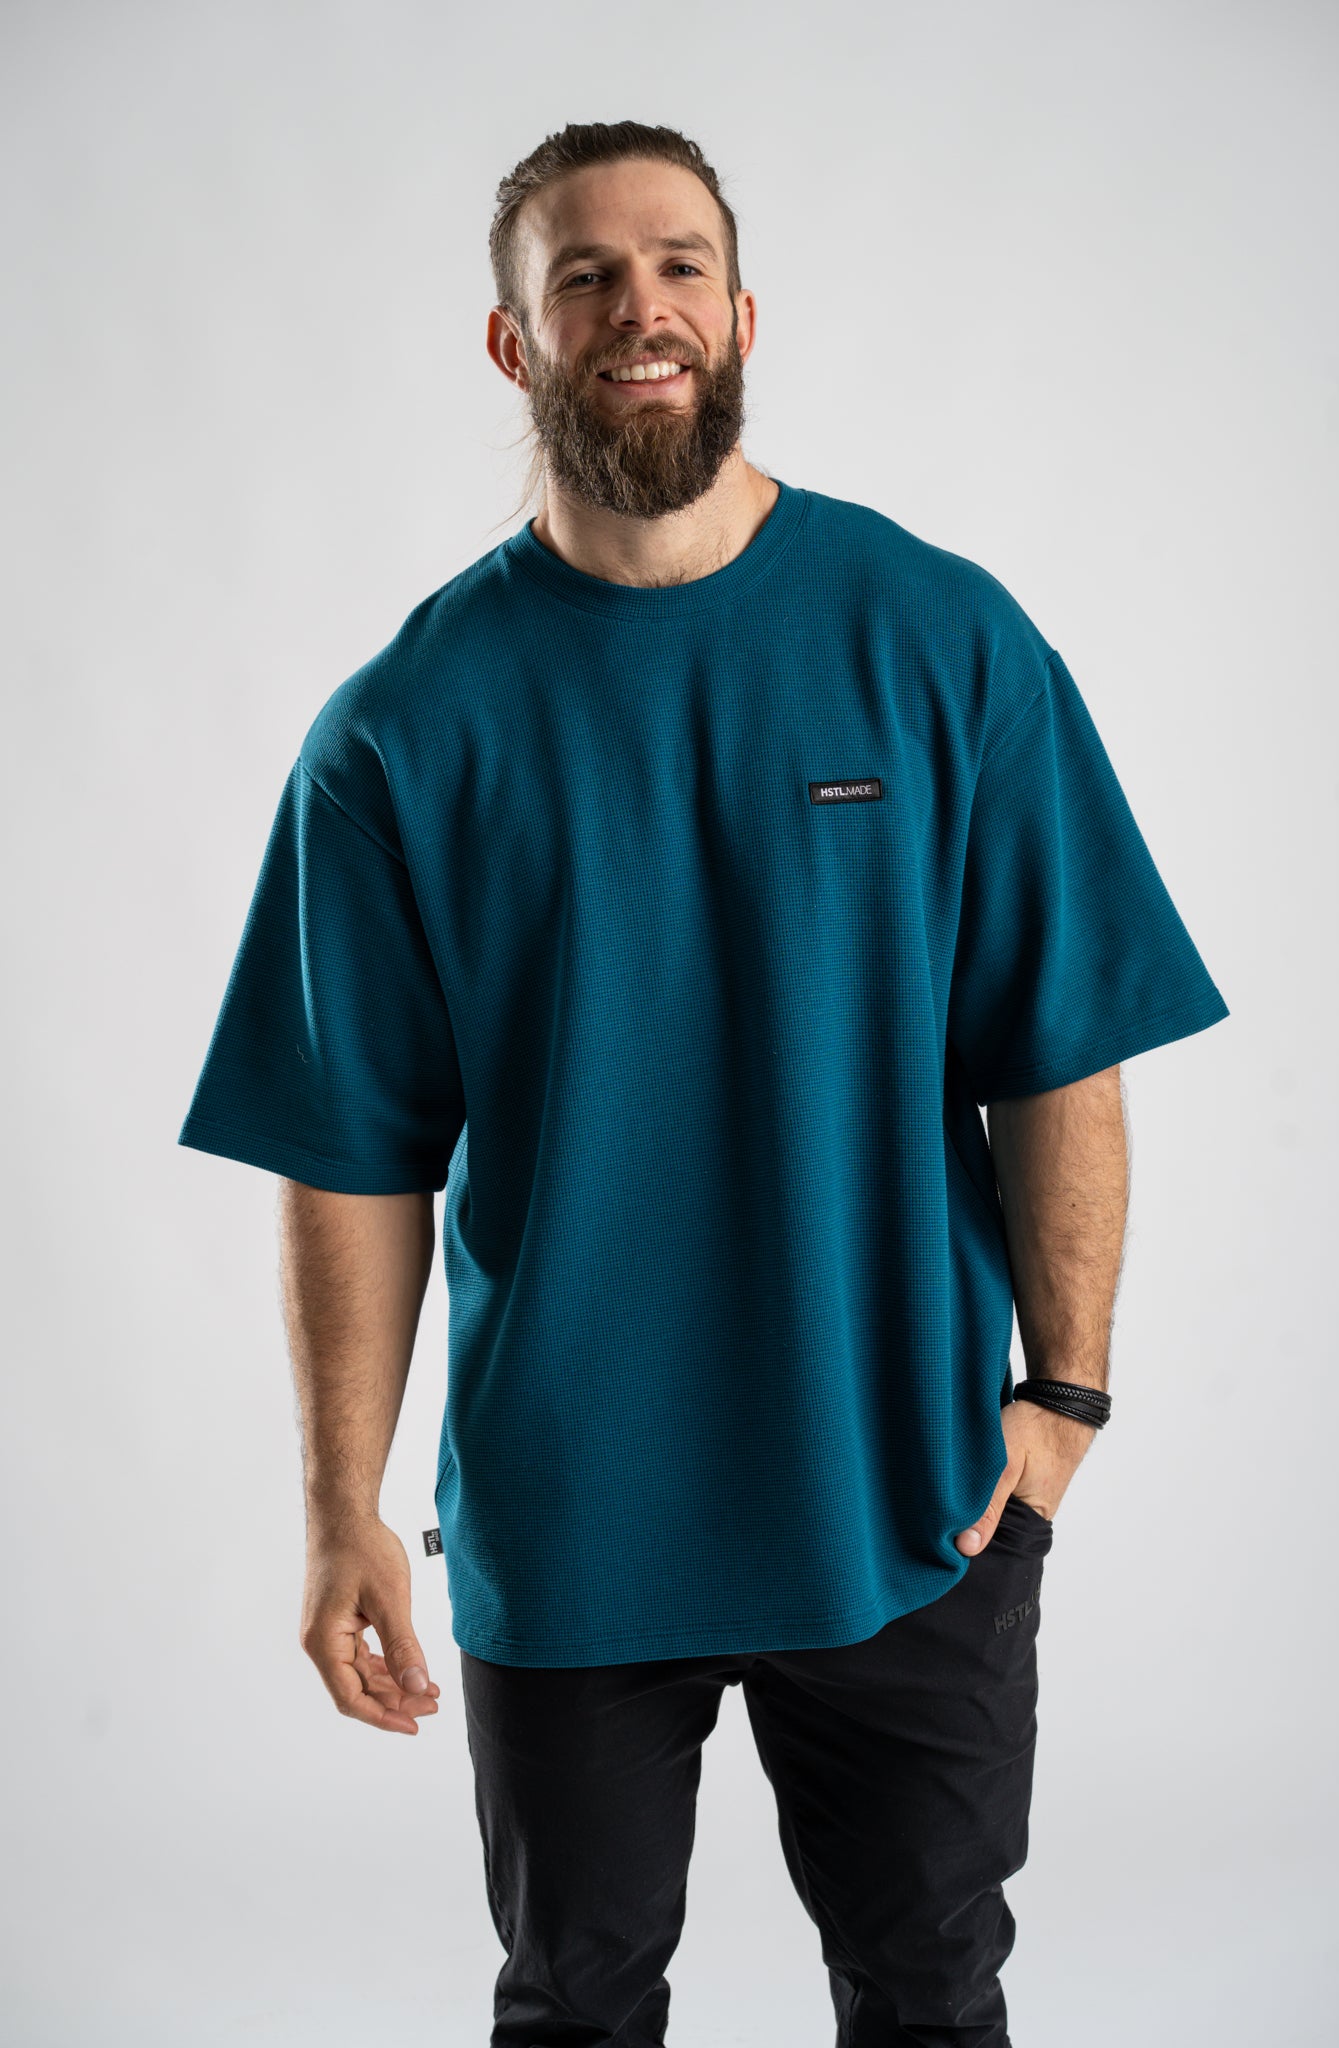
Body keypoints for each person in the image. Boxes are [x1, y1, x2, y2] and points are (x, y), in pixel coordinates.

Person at [177, 119, 1231, 2048]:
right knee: (573, 2009)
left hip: (907, 1495)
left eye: (677, 268)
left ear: (742, 318)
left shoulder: (941, 640)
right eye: (581, 276)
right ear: (512, 342)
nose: (636, 308)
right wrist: (342, 1509)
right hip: (571, 1516)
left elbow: (1056, 1045)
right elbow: (349, 1157)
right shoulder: (402, 731)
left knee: (930, 1996)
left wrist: (1064, 1392)